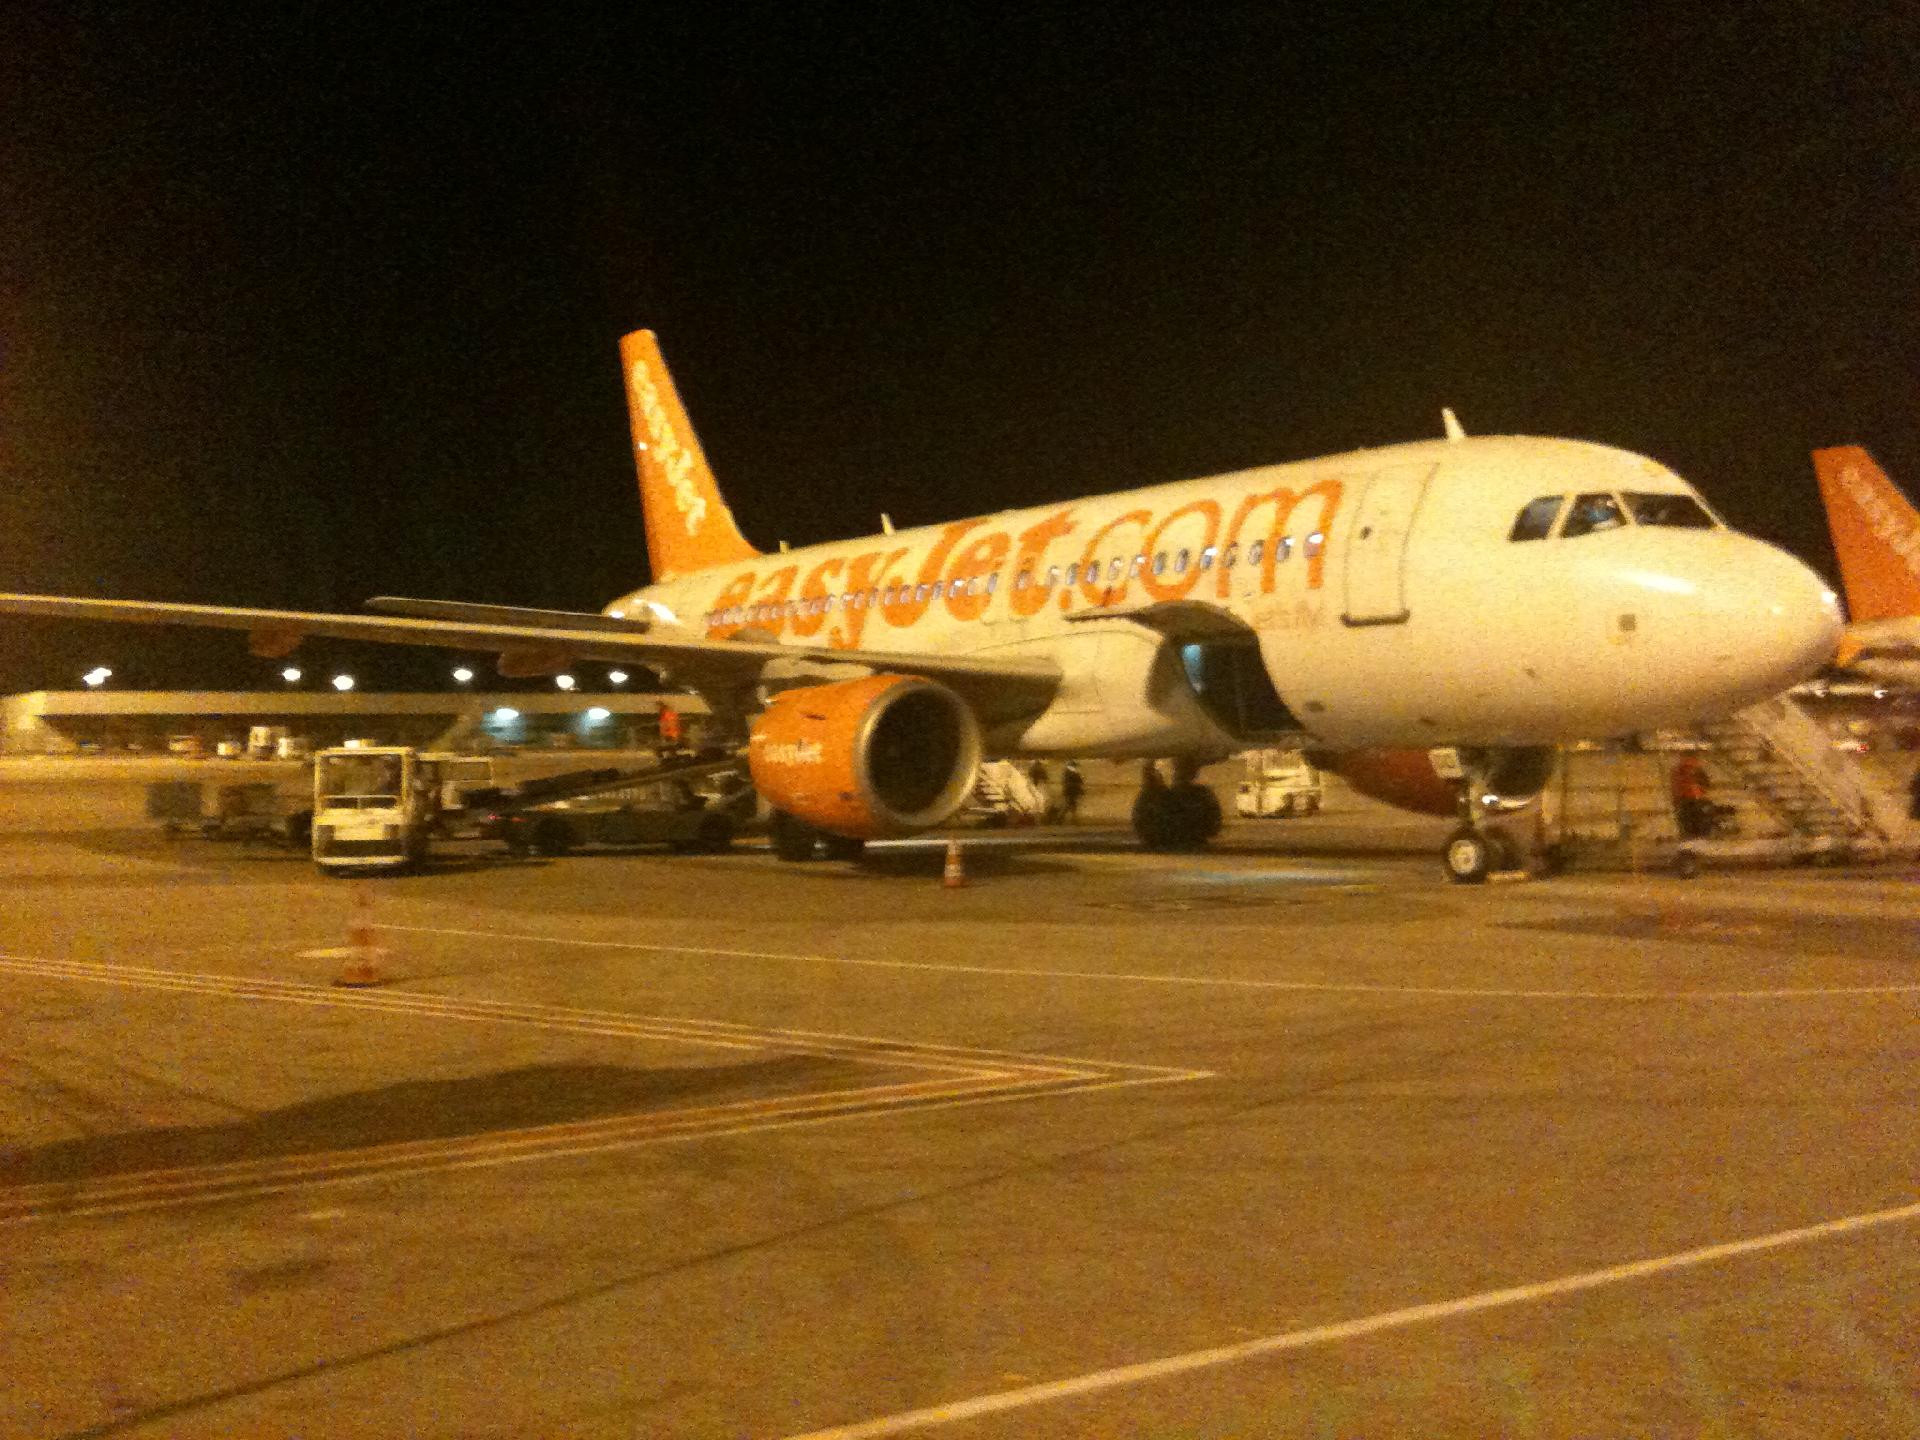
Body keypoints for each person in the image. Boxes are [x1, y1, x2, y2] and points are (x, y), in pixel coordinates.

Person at [1670, 752, 1714, 839]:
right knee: (1689, 821)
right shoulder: (1679, 772)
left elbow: (1705, 784)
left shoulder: (1695, 771)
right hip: (1686, 800)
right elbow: (1676, 788)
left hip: (1694, 800)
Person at [1061, 759, 1084, 824]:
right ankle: (1062, 818)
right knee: (1070, 805)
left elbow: (1079, 781)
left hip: (1070, 792)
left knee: (1071, 805)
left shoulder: (1068, 772)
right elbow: (1079, 781)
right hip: (1071, 791)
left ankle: (1072, 819)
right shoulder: (1071, 773)